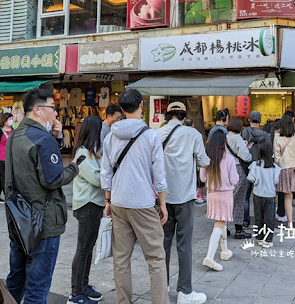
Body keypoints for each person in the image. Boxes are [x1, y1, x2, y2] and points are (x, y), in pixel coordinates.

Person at [6, 89, 79, 303]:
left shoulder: (15, 136)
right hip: (43, 223)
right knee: (37, 289)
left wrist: (53, 137)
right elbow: (52, 179)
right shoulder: (42, 139)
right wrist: (74, 168)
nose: (56, 114)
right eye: (53, 109)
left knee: (15, 282)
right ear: (38, 111)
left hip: (18, 220)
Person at [100, 89, 168, 304]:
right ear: (141, 105)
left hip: (119, 202)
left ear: (121, 109)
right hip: (143, 203)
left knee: (121, 259)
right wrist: (163, 203)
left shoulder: (111, 136)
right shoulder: (150, 136)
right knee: (155, 258)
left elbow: (106, 172)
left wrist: (107, 200)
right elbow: (159, 174)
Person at [158, 102, 209, 304]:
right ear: (184, 116)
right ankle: (184, 292)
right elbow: (205, 161)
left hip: (162, 197)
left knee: (163, 243)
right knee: (184, 244)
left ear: (167, 115)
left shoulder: (157, 134)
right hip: (185, 197)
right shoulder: (193, 134)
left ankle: (162, 287)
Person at [70, 116, 105, 304]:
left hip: (93, 205)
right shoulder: (83, 153)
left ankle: (83, 285)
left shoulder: (91, 152)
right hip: (87, 205)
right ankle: (76, 294)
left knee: (88, 248)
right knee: (83, 249)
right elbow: (98, 179)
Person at [200, 131, 238, 271]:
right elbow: (234, 179)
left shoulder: (207, 159)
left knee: (222, 222)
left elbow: (203, 179)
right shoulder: (228, 159)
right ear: (224, 143)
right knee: (220, 223)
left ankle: (225, 251)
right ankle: (209, 257)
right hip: (225, 194)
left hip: (211, 194)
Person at [274, 115, 295, 233]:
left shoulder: (278, 138)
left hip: (285, 169)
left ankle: (289, 224)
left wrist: (283, 163)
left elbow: (276, 158)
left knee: (287, 197)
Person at [247, 140, 281, 247]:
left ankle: (260, 237)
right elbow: (276, 181)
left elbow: (251, 178)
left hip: (258, 194)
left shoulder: (255, 165)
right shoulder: (275, 167)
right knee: (269, 218)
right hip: (270, 195)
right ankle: (268, 239)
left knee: (259, 217)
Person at [241, 111, 270, 226]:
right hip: (260, 167)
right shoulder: (265, 135)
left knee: (245, 195)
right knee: (260, 196)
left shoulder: (244, 132)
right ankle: (260, 220)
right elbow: (269, 152)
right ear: (260, 121)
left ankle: (245, 220)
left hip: (246, 167)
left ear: (249, 120)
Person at [226, 117, 252, 239]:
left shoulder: (225, 137)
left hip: (225, 169)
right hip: (237, 169)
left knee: (228, 196)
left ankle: (223, 226)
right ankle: (239, 228)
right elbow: (246, 156)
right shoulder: (238, 138)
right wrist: (247, 150)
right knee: (239, 198)